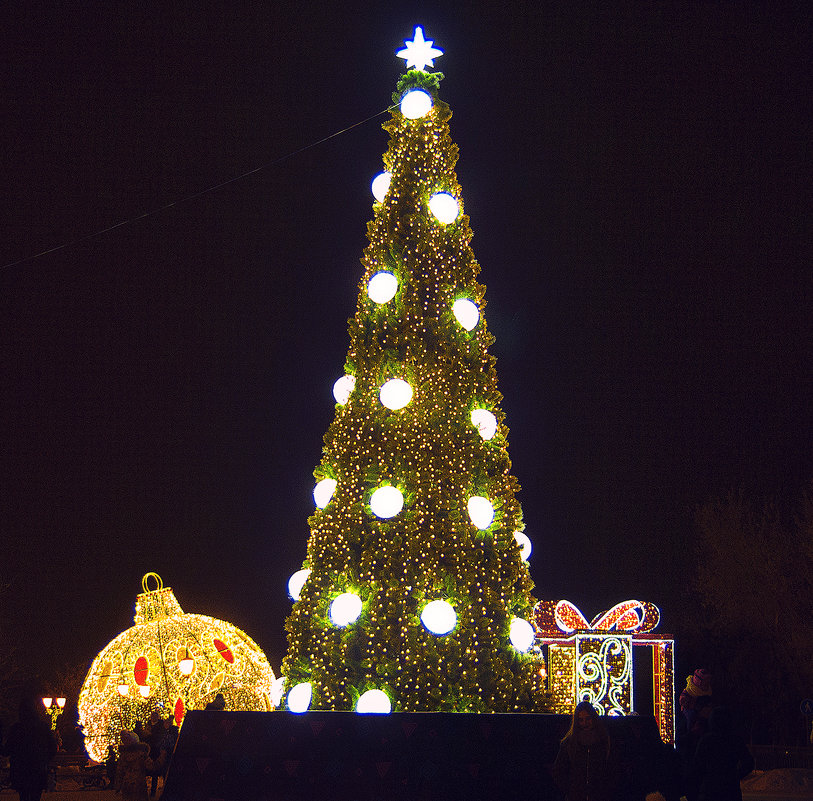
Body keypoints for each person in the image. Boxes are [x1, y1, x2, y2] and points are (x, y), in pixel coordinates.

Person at [553, 701, 620, 801]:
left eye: (588, 719)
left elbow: (614, 769)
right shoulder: (569, 743)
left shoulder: (604, 741)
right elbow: (559, 771)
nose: (584, 723)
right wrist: (571, 789)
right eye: (581, 720)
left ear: (593, 718)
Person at [689, 707, 754, 801]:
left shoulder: (707, 740)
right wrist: (736, 776)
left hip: (710, 790)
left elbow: (697, 765)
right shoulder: (735, 740)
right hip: (730, 790)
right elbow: (749, 763)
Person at [2, 696, 57, 801]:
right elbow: (53, 748)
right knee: (36, 796)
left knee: (23, 796)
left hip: (21, 770)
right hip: (38, 769)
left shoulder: (17, 728)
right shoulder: (43, 727)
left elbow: (7, 750)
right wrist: (44, 759)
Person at [114, 730, 151, 801]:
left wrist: (118, 787)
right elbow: (151, 766)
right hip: (139, 784)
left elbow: (119, 772)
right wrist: (162, 757)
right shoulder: (141, 754)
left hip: (127, 784)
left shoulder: (123, 756)